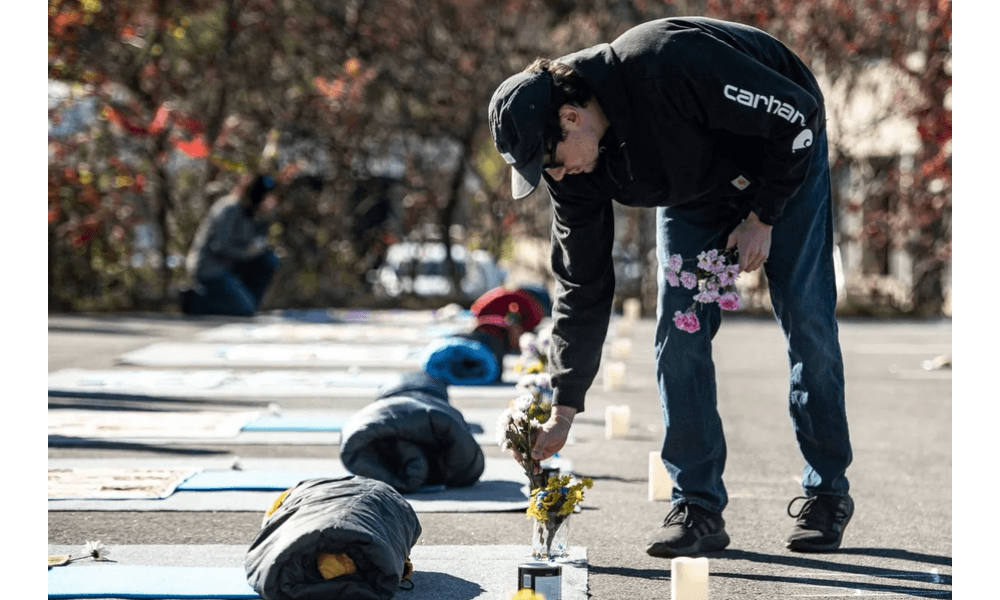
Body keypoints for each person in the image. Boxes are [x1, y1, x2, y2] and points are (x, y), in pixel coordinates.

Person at [488, 16, 853, 557]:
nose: (557, 179)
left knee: (807, 318)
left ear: (570, 117)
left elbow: (796, 117)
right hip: (699, 190)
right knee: (678, 335)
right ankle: (698, 506)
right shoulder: (577, 172)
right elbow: (582, 283)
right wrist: (564, 405)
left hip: (783, 158)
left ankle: (827, 494)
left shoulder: (665, 62)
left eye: (551, 163)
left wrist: (763, 216)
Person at [181, 174, 281, 316]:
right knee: (245, 309)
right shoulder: (229, 209)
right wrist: (247, 253)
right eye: (267, 197)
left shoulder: (254, 214)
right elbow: (220, 247)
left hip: (231, 267)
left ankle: (249, 304)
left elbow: (259, 245)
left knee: (269, 259)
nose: (271, 202)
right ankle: (194, 301)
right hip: (211, 268)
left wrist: (264, 219)